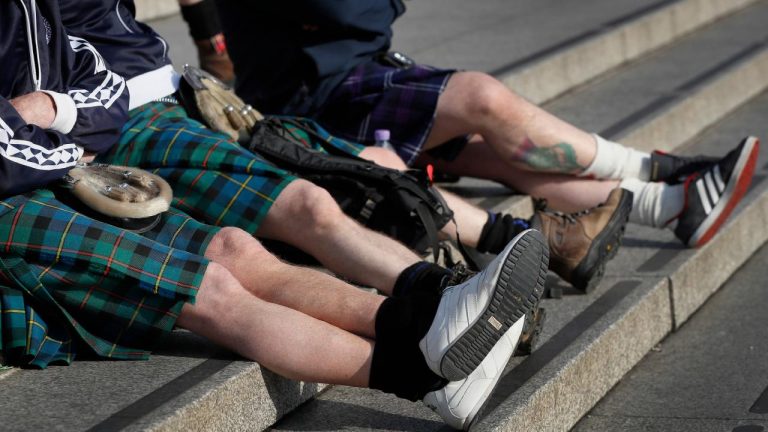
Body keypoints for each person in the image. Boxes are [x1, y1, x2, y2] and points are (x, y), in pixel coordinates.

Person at [0, 2, 549, 429]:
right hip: (24, 197)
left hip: (72, 160)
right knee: (212, 289)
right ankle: (424, 374)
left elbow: (101, 89)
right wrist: (69, 146)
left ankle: (431, 318)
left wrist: (53, 109)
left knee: (236, 248)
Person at [57, 0, 633, 292]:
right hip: (126, 117)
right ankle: (456, 296)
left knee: (376, 160)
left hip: (165, 94)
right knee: (327, 186)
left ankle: (537, 242)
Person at [212, 0, 760, 250]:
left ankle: (670, 205)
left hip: (353, 80)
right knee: (481, 97)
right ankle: (656, 168)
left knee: (493, 150)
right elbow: (352, 11)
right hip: (313, 105)